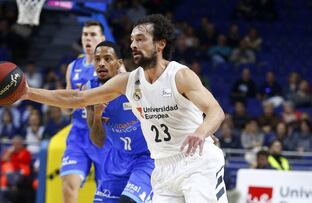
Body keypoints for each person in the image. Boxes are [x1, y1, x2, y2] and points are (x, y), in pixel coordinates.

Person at [22, 14, 227, 203]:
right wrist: (29, 93)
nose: (133, 45)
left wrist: (201, 132)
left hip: (196, 164)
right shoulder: (128, 81)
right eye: (131, 40)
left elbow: (215, 111)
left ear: (160, 44)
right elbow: (77, 97)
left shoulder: (180, 75)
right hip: (163, 169)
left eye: (140, 39)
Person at [86, 41, 153, 202]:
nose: (101, 63)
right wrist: (97, 115)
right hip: (117, 159)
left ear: (119, 63)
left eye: (108, 58)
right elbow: (98, 141)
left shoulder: (137, 85)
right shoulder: (90, 90)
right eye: (97, 59)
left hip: (146, 158)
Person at [60, 20, 107, 203]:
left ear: (102, 38)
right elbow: (66, 109)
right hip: (78, 135)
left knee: (106, 194)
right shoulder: (73, 67)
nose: (88, 38)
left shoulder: (112, 66)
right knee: (68, 186)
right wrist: (69, 101)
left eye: (93, 34)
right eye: (85, 34)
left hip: (104, 137)